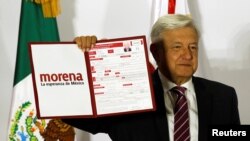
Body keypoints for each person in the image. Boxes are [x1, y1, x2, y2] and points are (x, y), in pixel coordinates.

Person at [62, 14, 240, 141]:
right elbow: (70, 113)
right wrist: (78, 58)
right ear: (156, 52)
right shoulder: (126, 93)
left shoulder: (223, 96)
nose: (187, 55)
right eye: (177, 47)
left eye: (192, 47)